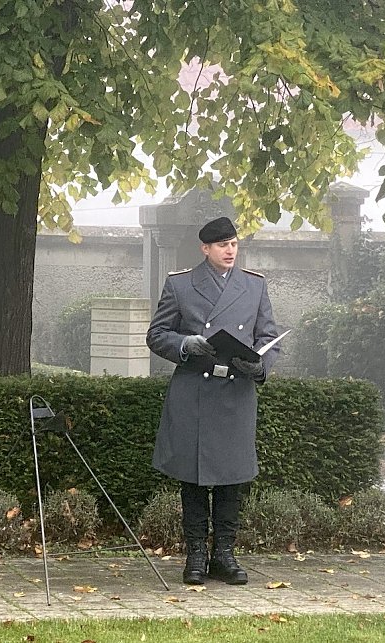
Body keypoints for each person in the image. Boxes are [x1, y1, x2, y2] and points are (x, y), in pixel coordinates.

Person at [146, 216, 280, 586]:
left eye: (234, 244)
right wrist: (185, 344)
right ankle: (196, 556)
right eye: (222, 245)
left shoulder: (254, 287)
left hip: (235, 393)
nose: (230, 250)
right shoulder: (181, 285)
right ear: (205, 249)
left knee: (230, 479)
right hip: (194, 392)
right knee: (191, 478)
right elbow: (157, 335)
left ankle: (224, 555)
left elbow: (269, 336)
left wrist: (258, 366)